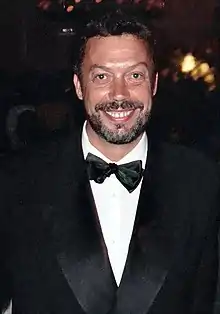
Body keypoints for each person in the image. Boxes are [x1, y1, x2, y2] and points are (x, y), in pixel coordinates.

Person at [0, 4, 219, 314]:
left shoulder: (204, 183)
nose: (120, 93)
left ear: (153, 84)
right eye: (102, 76)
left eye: (135, 75)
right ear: (79, 86)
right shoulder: (16, 181)